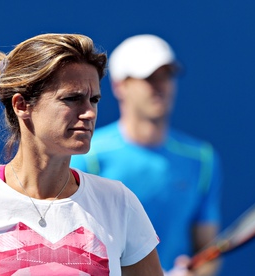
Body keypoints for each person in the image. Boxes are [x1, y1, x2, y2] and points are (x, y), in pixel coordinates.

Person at [0, 33, 164, 275]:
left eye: (94, 100)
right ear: (22, 105)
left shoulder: (119, 203)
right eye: (72, 99)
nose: (89, 113)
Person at [70, 34, 223, 275]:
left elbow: (208, 251)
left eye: (167, 75)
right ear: (120, 86)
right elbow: (75, 254)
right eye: (148, 77)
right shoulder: (86, 156)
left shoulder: (202, 159)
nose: (160, 85)